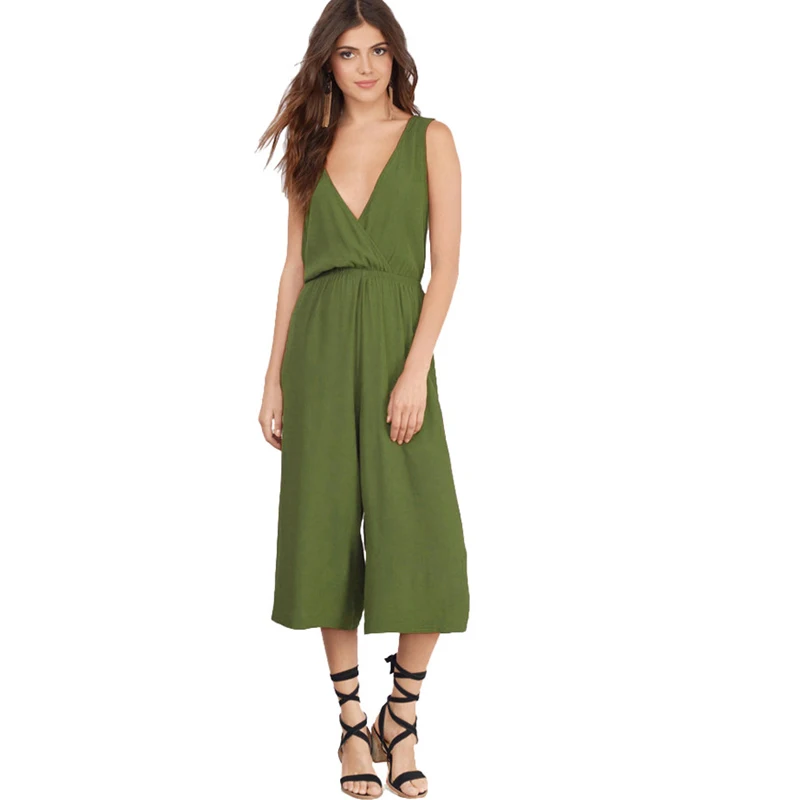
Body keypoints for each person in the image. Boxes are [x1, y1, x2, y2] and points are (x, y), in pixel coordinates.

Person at [256, 2, 469, 797]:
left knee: (424, 535)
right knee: (324, 532)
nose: (366, 67)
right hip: (316, 352)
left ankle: (400, 716)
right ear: (328, 63)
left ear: (396, 56)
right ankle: (352, 725)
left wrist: (414, 370)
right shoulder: (310, 145)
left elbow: (446, 266)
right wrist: (273, 377)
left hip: (394, 349)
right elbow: (293, 268)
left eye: (378, 50)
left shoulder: (430, 139)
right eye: (348, 54)